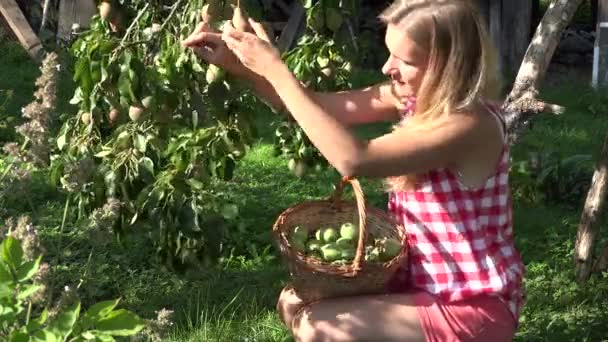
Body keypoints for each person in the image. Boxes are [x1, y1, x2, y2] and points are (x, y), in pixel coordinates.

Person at [182, 0, 524, 340]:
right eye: (389, 52)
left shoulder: (469, 124)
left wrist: (275, 68)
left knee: (321, 325)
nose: (387, 67)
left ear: (448, 66)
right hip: (424, 287)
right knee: (292, 301)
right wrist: (243, 67)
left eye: (405, 60)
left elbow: (354, 159)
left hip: (470, 308)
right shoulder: (412, 98)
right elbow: (314, 107)